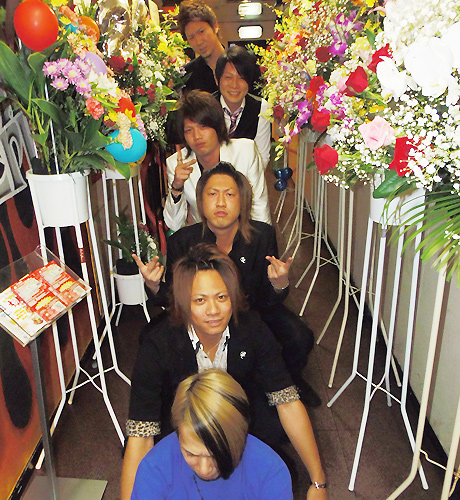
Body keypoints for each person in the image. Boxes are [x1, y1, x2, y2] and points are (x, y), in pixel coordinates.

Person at [122, 244, 328, 500]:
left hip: (237, 421)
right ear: (183, 303)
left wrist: (318, 482)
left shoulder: (252, 329)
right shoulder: (158, 344)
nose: (213, 310)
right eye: (200, 300)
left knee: (281, 462)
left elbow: (287, 401)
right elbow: (141, 434)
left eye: (221, 297)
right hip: (183, 427)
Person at [135, 162, 320, 407]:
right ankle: (179, 396)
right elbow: (174, 299)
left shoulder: (262, 235)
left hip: (251, 312)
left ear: (243, 201)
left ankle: (288, 381)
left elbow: (267, 299)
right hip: (201, 315)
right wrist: (154, 285)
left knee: (299, 336)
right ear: (201, 201)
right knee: (149, 337)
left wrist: (279, 284)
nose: (221, 203)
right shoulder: (183, 240)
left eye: (230, 195)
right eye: (212, 194)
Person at [131, 369, 293, 500]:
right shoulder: (153, 470)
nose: (205, 469)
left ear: (238, 435)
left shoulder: (271, 471)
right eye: (191, 454)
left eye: (216, 455)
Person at [163, 90, 270, 231]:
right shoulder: (176, 163)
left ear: (217, 126)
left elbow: (260, 207)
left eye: (203, 127)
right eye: (189, 130)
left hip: (243, 234)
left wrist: (262, 241)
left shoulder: (246, 151)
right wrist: (177, 187)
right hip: (203, 238)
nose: (197, 136)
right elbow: (174, 224)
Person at [215, 46, 272, 167]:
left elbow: (262, 157)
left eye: (241, 78)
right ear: (217, 79)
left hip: (248, 176)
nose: (234, 85)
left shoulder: (260, 107)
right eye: (228, 77)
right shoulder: (206, 106)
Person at [177, 0, 224, 94]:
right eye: (191, 37)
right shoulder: (187, 76)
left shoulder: (242, 62)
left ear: (215, 26)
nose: (198, 42)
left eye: (201, 32)